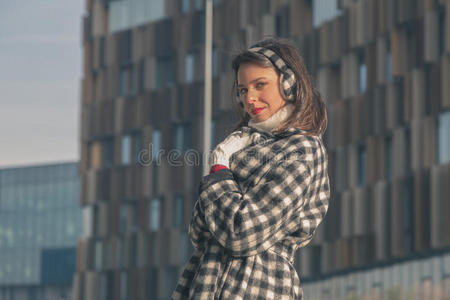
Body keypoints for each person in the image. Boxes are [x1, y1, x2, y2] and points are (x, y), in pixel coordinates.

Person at [171, 38, 330, 300]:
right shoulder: (240, 147)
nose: (250, 98)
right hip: (204, 281)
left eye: (260, 85)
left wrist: (220, 171)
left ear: (288, 84)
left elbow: (241, 232)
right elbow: (198, 232)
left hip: (260, 285)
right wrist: (224, 177)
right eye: (243, 89)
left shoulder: (302, 149)